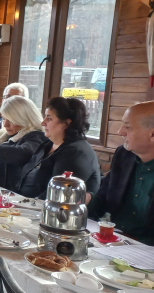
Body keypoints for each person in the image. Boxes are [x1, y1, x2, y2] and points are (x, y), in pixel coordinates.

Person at [85, 101, 154, 245]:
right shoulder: (124, 155)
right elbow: (104, 200)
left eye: (128, 127)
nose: (120, 132)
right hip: (113, 242)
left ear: (152, 134)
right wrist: (85, 200)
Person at [15, 97, 100, 199]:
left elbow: (57, 194)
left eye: (49, 118)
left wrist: (22, 203)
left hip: (45, 207)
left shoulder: (76, 152)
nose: (43, 123)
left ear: (66, 123)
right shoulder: (48, 144)